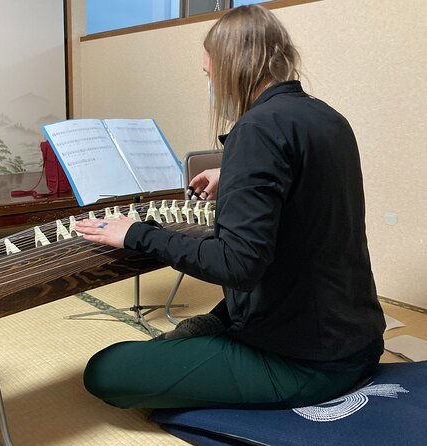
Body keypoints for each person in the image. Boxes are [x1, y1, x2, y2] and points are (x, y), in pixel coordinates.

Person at [74, 4, 385, 410]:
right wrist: (233, 173)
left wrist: (136, 234)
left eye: (209, 74)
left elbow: (237, 266)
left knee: (105, 369)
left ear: (232, 67)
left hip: (309, 361)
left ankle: (224, 339)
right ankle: (218, 330)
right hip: (359, 337)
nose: (211, 86)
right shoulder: (326, 117)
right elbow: (305, 190)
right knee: (205, 326)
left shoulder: (256, 130)